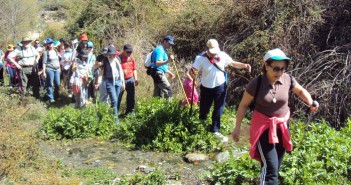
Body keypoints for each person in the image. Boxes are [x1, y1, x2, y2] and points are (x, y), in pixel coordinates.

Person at [231, 48, 319, 185]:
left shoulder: (288, 79)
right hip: (263, 129)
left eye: (283, 69)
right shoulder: (257, 83)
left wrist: (310, 102)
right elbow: (243, 105)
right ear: (266, 65)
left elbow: (300, 91)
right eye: (276, 68)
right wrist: (237, 128)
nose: (280, 72)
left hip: (282, 128)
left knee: (275, 165)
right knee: (271, 168)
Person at [191, 39, 251, 143]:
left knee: (218, 108)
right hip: (206, 87)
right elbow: (193, 71)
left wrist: (244, 65)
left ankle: (215, 130)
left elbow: (232, 63)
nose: (214, 54)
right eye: (212, 52)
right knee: (204, 108)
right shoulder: (200, 58)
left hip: (220, 86)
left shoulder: (222, 55)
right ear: (207, 50)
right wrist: (193, 75)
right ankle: (201, 124)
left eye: (215, 51)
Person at [95, 46, 125, 123]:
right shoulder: (105, 61)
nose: (112, 56)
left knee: (116, 101)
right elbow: (101, 73)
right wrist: (98, 83)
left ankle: (110, 116)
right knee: (114, 100)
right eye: (110, 54)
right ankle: (116, 121)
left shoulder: (117, 59)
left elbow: (120, 71)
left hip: (118, 81)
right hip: (109, 82)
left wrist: (123, 82)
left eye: (113, 54)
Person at [117, 44, 138, 115]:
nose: (129, 54)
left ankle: (129, 113)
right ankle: (115, 113)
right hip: (120, 81)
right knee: (118, 97)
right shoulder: (118, 59)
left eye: (130, 52)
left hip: (130, 79)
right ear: (123, 50)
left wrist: (136, 79)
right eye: (127, 52)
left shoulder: (132, 59)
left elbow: (134, 69)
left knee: (131, 97)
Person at [43, 38, 61, 103]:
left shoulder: (56, 51)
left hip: (57, 69)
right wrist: (44, 72)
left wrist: (59, 68)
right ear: (47, 44)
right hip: (49, 69)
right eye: (49, 43)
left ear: (53, 43)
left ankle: (57, 96)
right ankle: (50, 98)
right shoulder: (46, 52)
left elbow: (58, 60)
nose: (50, 44)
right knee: (50, 83)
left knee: (57, 83)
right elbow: (44, 63)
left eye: (51, 43)